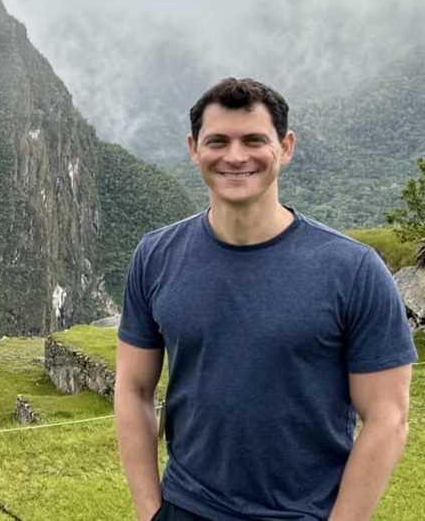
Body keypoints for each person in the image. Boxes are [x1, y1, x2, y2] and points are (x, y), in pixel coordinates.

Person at [116, 77, 416, 521]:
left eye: (254, 140)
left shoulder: (353, 270)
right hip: (185, 507)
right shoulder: (156, 257)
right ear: (194, 148)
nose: (235, 156)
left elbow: (388, 417)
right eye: (218, 141)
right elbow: (133, 387)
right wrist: (150, 510)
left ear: (286, 146)